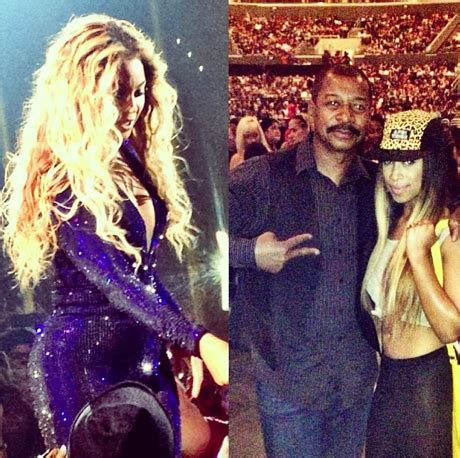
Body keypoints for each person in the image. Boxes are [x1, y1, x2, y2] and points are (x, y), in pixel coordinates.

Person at [0, 14, 228, 455]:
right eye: (118, 93)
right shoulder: (62, 176)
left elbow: (143, 276)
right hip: (82, 360)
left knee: (198, 441)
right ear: (81, 94)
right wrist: (196, 338)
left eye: (139, 91)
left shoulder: (130, 159)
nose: (132, 106)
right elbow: (115, 280)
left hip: (140, 346)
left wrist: (174, 338)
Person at [229, 64, 460, 457]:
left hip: (358, 386)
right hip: (290, 386)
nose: (345, 116)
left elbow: (432, 187)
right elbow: (195, 231)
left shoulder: (379, 187)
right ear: (311, 108)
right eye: (333, 103)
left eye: (358, 106)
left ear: (369, 115)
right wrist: (250, 253)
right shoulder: (263, 176)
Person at [361, 110, 460, 456]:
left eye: (408, 162)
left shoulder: (448, 232)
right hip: (387, 380)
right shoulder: (385, 223)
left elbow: (451, 328)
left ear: (431, 165)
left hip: (426, 385)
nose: (394, 174)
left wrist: (418, 257)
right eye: (389, 161)